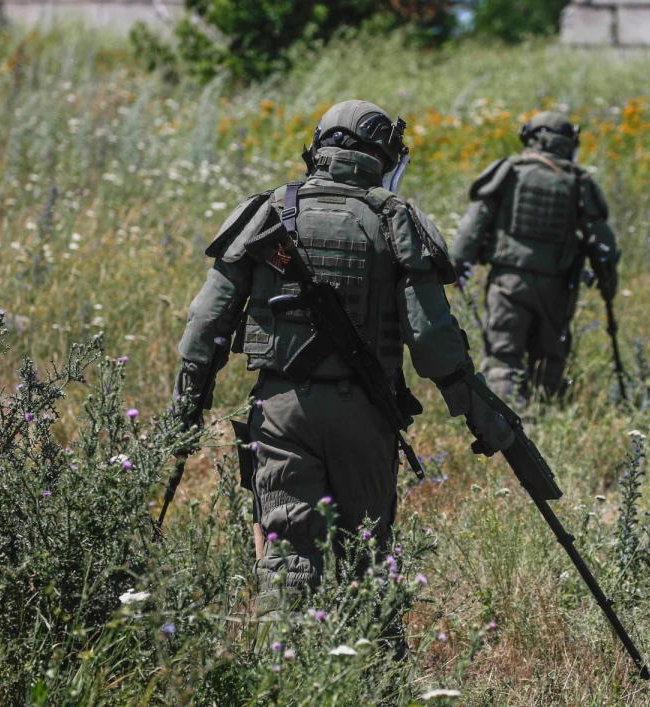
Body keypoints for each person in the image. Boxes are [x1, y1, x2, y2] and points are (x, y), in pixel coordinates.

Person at [172, 100, 514, 608]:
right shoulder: (396, 219)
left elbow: (206, 322)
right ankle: (375, 680)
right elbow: (433, 341)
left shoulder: (267, 211)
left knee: (286, 559)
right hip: (364, 414)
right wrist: (482, 415)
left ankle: (282, 673)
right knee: (368, 562)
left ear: (318, 148)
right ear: (384, 156)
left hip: (280, 411)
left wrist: (186, 409)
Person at [451, 111, 619, 400]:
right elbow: (601, 243)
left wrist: (456, 267)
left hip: (508, 283)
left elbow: (473, 224)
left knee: (503, 358)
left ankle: (508, 424)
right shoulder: (578, 181)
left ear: (529, 136)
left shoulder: (509, 170)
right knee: (549, 360)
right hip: (556, 287)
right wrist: (607, 285)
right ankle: (545, 418)